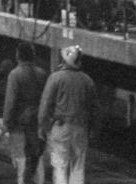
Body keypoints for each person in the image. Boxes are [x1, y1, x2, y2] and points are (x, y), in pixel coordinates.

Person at [38, 45, 97, 184]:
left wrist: (42, 126)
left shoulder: (55, 78)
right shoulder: (87, 80)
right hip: (81, 128)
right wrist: (94, 129)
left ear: (64, 61)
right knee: (78, 166)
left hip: (60, 127)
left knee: (60, 166)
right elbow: (95, 108)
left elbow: (45, 104)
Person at [2, 42, 48, 184]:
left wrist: (6, 123)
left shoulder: (15, 75)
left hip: (19, 123)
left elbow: (10, 102)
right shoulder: (42, 74)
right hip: (37, 123)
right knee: (36, 157)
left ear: (18, 55)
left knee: (21, 159)